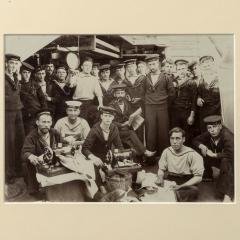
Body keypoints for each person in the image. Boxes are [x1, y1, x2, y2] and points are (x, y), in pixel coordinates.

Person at [21, 109, 63, 197]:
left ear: (51, 123)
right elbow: (25, 152)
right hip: (38, 164)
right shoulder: (31, 136)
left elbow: (62, 145)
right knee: (26, 164)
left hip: (54, 161)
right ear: (37, 122)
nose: (46, 125)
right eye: (43, 122)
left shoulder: (55, 133)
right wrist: (31, 156)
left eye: (48, 122)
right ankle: (34, 189)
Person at [82, 106, 124, 193]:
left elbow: (119, 146)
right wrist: (93, 158)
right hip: (95, 156)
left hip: (108, 156)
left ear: (113, 117)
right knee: (95, 171)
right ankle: (100, 186)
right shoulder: (95, 129)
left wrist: (119, 156)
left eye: (110, 116)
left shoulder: (114, 128)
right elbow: (85, 148)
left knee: (120, 170)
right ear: (101, 116)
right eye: (105, 115)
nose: (108, 118)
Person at [192, 115, 234, 202]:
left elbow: (232, 154)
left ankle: (228, 194)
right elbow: (195, 140)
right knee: (200, 149)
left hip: (233, 162)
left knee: (225, 161)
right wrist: (202, 146)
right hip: (219, 158)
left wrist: (215, 155)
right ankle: (207, 174)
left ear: (220, 126)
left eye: (214, 127)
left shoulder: (227, 136)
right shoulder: (209, 133)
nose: (212, 130)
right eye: (209, 127)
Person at [157, 127, 204, 202]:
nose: (174, 142)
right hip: (171, 179)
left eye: (178, 138)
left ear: (183, 139)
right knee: (150, 179)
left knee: (194, 191)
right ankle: (169, 195)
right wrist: (160, 178)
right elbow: (161, 169)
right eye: (172, 138)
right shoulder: (167, 151)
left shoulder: (192, 154)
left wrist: (181, 186)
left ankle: (171, 197)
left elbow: (198, 177)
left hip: (186, 181)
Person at [143, 54, 175, 161]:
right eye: (150, 64)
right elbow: (143, 93)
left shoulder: (166, 77)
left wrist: (165, 104)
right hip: (149, 108)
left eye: (154, 64)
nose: (152, 66)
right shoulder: (145, 78)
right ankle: (151, 157)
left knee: (163, 131)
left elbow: (171, 94)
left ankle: (165, 156)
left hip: (162, 107)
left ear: (158, 64)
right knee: (150, 131)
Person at [109, 84, 155, 158]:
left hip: (127, 127)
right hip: (116, 130)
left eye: (122, 93)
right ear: (114, 94)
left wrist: (130, 101)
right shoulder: (111, 105)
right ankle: (144, 152)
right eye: (118, 93)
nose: (120, 95)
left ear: (125, 94)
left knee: (137, 130)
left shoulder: (127, 102)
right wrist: (122, 125)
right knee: (131, 133)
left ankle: (139, 156)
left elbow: (134, 111)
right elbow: (110, 122)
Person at [64, 57, 103, 127]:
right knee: (79, 123)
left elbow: (99, 93)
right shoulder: (76, 76)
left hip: (90, 103)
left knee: (92, 122)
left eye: (90, 66)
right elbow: (69, 85)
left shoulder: (94, 79)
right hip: (77, 103)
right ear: (82, 67)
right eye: (86, 65)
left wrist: (101, 104)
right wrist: (70, 74)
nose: (88, 68)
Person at [5, 54, 25, 184]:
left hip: (18, 111)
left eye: (15, 63)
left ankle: (18, 169)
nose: (13, 66)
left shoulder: (16, 76)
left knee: (20, 139)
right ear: (6, 63)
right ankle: (9, 173)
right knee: (9, 142)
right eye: (11, 63)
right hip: (7, 112)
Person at [171, 59, 197, 144]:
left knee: (187, 135)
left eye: (183, 69)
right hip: (175, 113)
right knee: (175, 133)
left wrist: (191, 116)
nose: (181, 71)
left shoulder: (191, 83)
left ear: (186, 69)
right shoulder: (173, 82)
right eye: (179, 69)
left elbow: (194, 101)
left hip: (186, 112)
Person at [20, 62, 47, 134]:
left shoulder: (35, 84)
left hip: (36, 113)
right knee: (28, 134)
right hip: (24, 115)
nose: (26, 75)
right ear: (21, 73)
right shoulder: (18, 85)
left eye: (28, 73)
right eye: (24, 72)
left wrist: (44, 112)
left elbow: (42, 99)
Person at [197, 56, 221, 132]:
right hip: (204, 112)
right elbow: (198, 93)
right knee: (204, 133)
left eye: (208, 65)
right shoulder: (201, 80)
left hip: (216, 112)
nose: (207, 68)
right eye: (204, 66)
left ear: (213, 65)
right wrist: (198, 98)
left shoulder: (220, 79)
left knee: (216, 132)